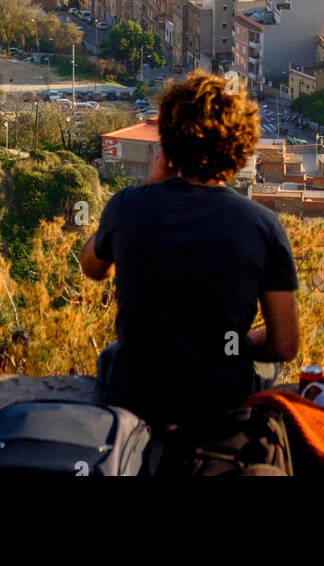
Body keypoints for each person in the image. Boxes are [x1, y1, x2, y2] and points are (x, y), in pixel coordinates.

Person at [80, 69, 299, 426]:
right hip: (221, 398)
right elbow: (284, 346)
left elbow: (93, 267)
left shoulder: (128, 206)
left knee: (112, 354)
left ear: (167, 143)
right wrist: (236, 342)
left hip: (137, 393)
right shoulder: (262, 225)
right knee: (260, 366)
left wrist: (148, 189)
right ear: (241, 148)